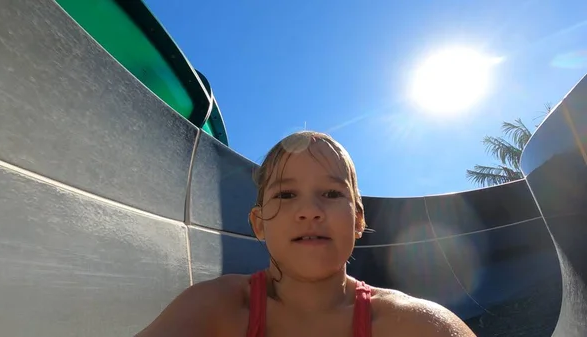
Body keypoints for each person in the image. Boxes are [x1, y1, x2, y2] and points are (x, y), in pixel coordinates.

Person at [136, 131, 476, 337]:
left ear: (358, 221)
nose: (310, 210)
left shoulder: (407, 323)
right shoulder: (214, 309)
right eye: (286, 195)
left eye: (330, 194)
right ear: (258, 224)